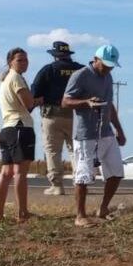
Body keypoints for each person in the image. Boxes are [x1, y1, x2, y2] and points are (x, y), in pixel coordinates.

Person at [62, 44, 127, 227]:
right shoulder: (80, 75)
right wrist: (86, 103)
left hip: (106, 133)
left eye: (112, 65)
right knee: (83, 176)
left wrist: (119, 130)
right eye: (105, 64)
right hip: (86, 135)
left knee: (116, 172)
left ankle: (103, 208)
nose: (108, 68)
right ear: (95, 59)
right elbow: (65, 101)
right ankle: (80, 215)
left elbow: (110, 106)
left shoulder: (108, 77)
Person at [30, 40, 84, 196]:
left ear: (54, 56)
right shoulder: (79, 69)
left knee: (53, 151)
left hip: (51, 114)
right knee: (74, 150)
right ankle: (79, 183)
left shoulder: (48, 70)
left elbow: (35, 93)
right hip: (74, 115)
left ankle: (57, 185)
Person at [0, 47, 37, 224]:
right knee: (20, 172)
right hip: (20, 127)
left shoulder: (5, 80)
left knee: (6, 173)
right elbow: (28, 104)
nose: (24, 63)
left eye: (26, 60)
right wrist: (39, 100)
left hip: (7, 128)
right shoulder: (16, 78)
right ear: (10, 61)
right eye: (20, 60)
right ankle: (22, 213)